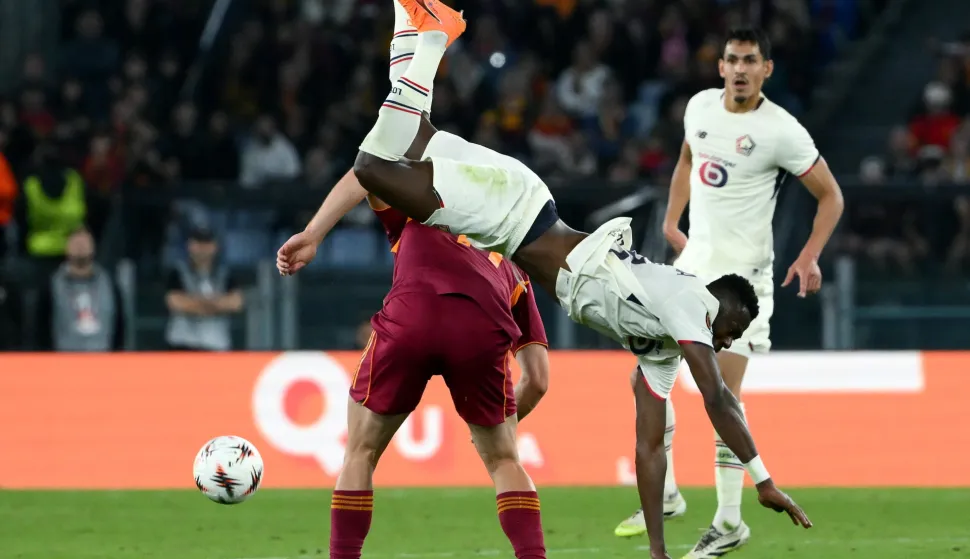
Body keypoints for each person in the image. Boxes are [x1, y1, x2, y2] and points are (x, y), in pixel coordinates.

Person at [288, 3, 811, 557]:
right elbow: (719, 398)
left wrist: (658, 552)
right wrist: (763, 478)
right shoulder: (689, 300)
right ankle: (437, 36)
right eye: (731, 328)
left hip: (519, 217)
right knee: (375, 164)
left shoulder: (661, 349)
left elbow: (650, 446)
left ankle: (409, 18)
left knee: (408, 135)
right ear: (718, 304)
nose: (727, 340)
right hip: (516, 213)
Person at [276, 3, 550, 558]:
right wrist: (498, 415)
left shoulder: (417, 202)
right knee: (504, 460)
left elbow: (369, 167)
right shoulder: (513, 259)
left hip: (415, 316)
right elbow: (540, 379)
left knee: (360, 452)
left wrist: (313, 234)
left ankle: (423, 34)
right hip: (483, 325)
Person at [613, 28, 844, 558]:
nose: (740, 69)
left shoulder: (782, 131)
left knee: (723, 399)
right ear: (719, 67)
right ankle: (668, 494)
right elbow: (687, 162)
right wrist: (672, 222)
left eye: (751, 61)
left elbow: (831, 196)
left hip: (742, 286)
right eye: (733, 60)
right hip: (694, 270)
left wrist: (809, 255)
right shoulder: (698, 107)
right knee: (643, 379)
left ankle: (729, 522)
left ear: (767, 70)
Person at [36, 227, 125, 351]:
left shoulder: (109, 284)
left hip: (103, 362)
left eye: (84, 242)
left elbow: (120, 327)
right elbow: (41, 328)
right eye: (75, 242)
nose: (80, 246)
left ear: (93, 246)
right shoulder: (51, 286)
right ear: (66, 247)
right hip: (62, 363)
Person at [164, 226, 244, 351]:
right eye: (198, 243)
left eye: (207, 243)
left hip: (217, 345)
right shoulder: (177, 272)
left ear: (215, 246)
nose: (202, 248)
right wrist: (216, 304)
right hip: (183, 345)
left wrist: (195, 304)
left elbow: (236, 303)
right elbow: (175, 302)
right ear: (189, 245)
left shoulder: (226, 274)